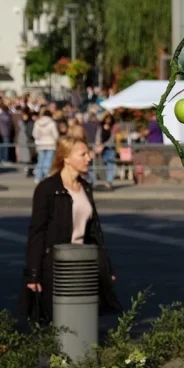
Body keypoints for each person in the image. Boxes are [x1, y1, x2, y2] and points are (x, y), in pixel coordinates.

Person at [20, 136, 120, 324]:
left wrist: (106, 266)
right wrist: (33, 273)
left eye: (88, 153)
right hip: (56, 265)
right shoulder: (48, 189)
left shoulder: (85, 187)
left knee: (83, 319)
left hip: (83, 264)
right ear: (65, 158)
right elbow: (37, 232)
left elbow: (93, 233)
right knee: (57, 321)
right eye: (82, 154)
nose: (88, 158)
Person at [32, 109, 60, 183]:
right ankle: (47, 175)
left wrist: (39, 138)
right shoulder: (52, 123)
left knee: (40, 160)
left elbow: (35, 134)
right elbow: (56, 135)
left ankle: (38, 177)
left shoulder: (37, 122)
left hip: (41, 143)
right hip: (51, 144)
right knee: (49, 160)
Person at [94, 113, 117, 191]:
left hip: (110, 149)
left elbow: (112, 140)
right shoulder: (100, 127)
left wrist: (103, 145)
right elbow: (98, 137)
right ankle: (106, 180)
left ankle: (109, 182)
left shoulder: (113, 128)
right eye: (107, 118)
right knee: (103, 165)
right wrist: (98, 145)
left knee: (110, 164)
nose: (108, 120)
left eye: (109, 119)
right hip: (102, 150)